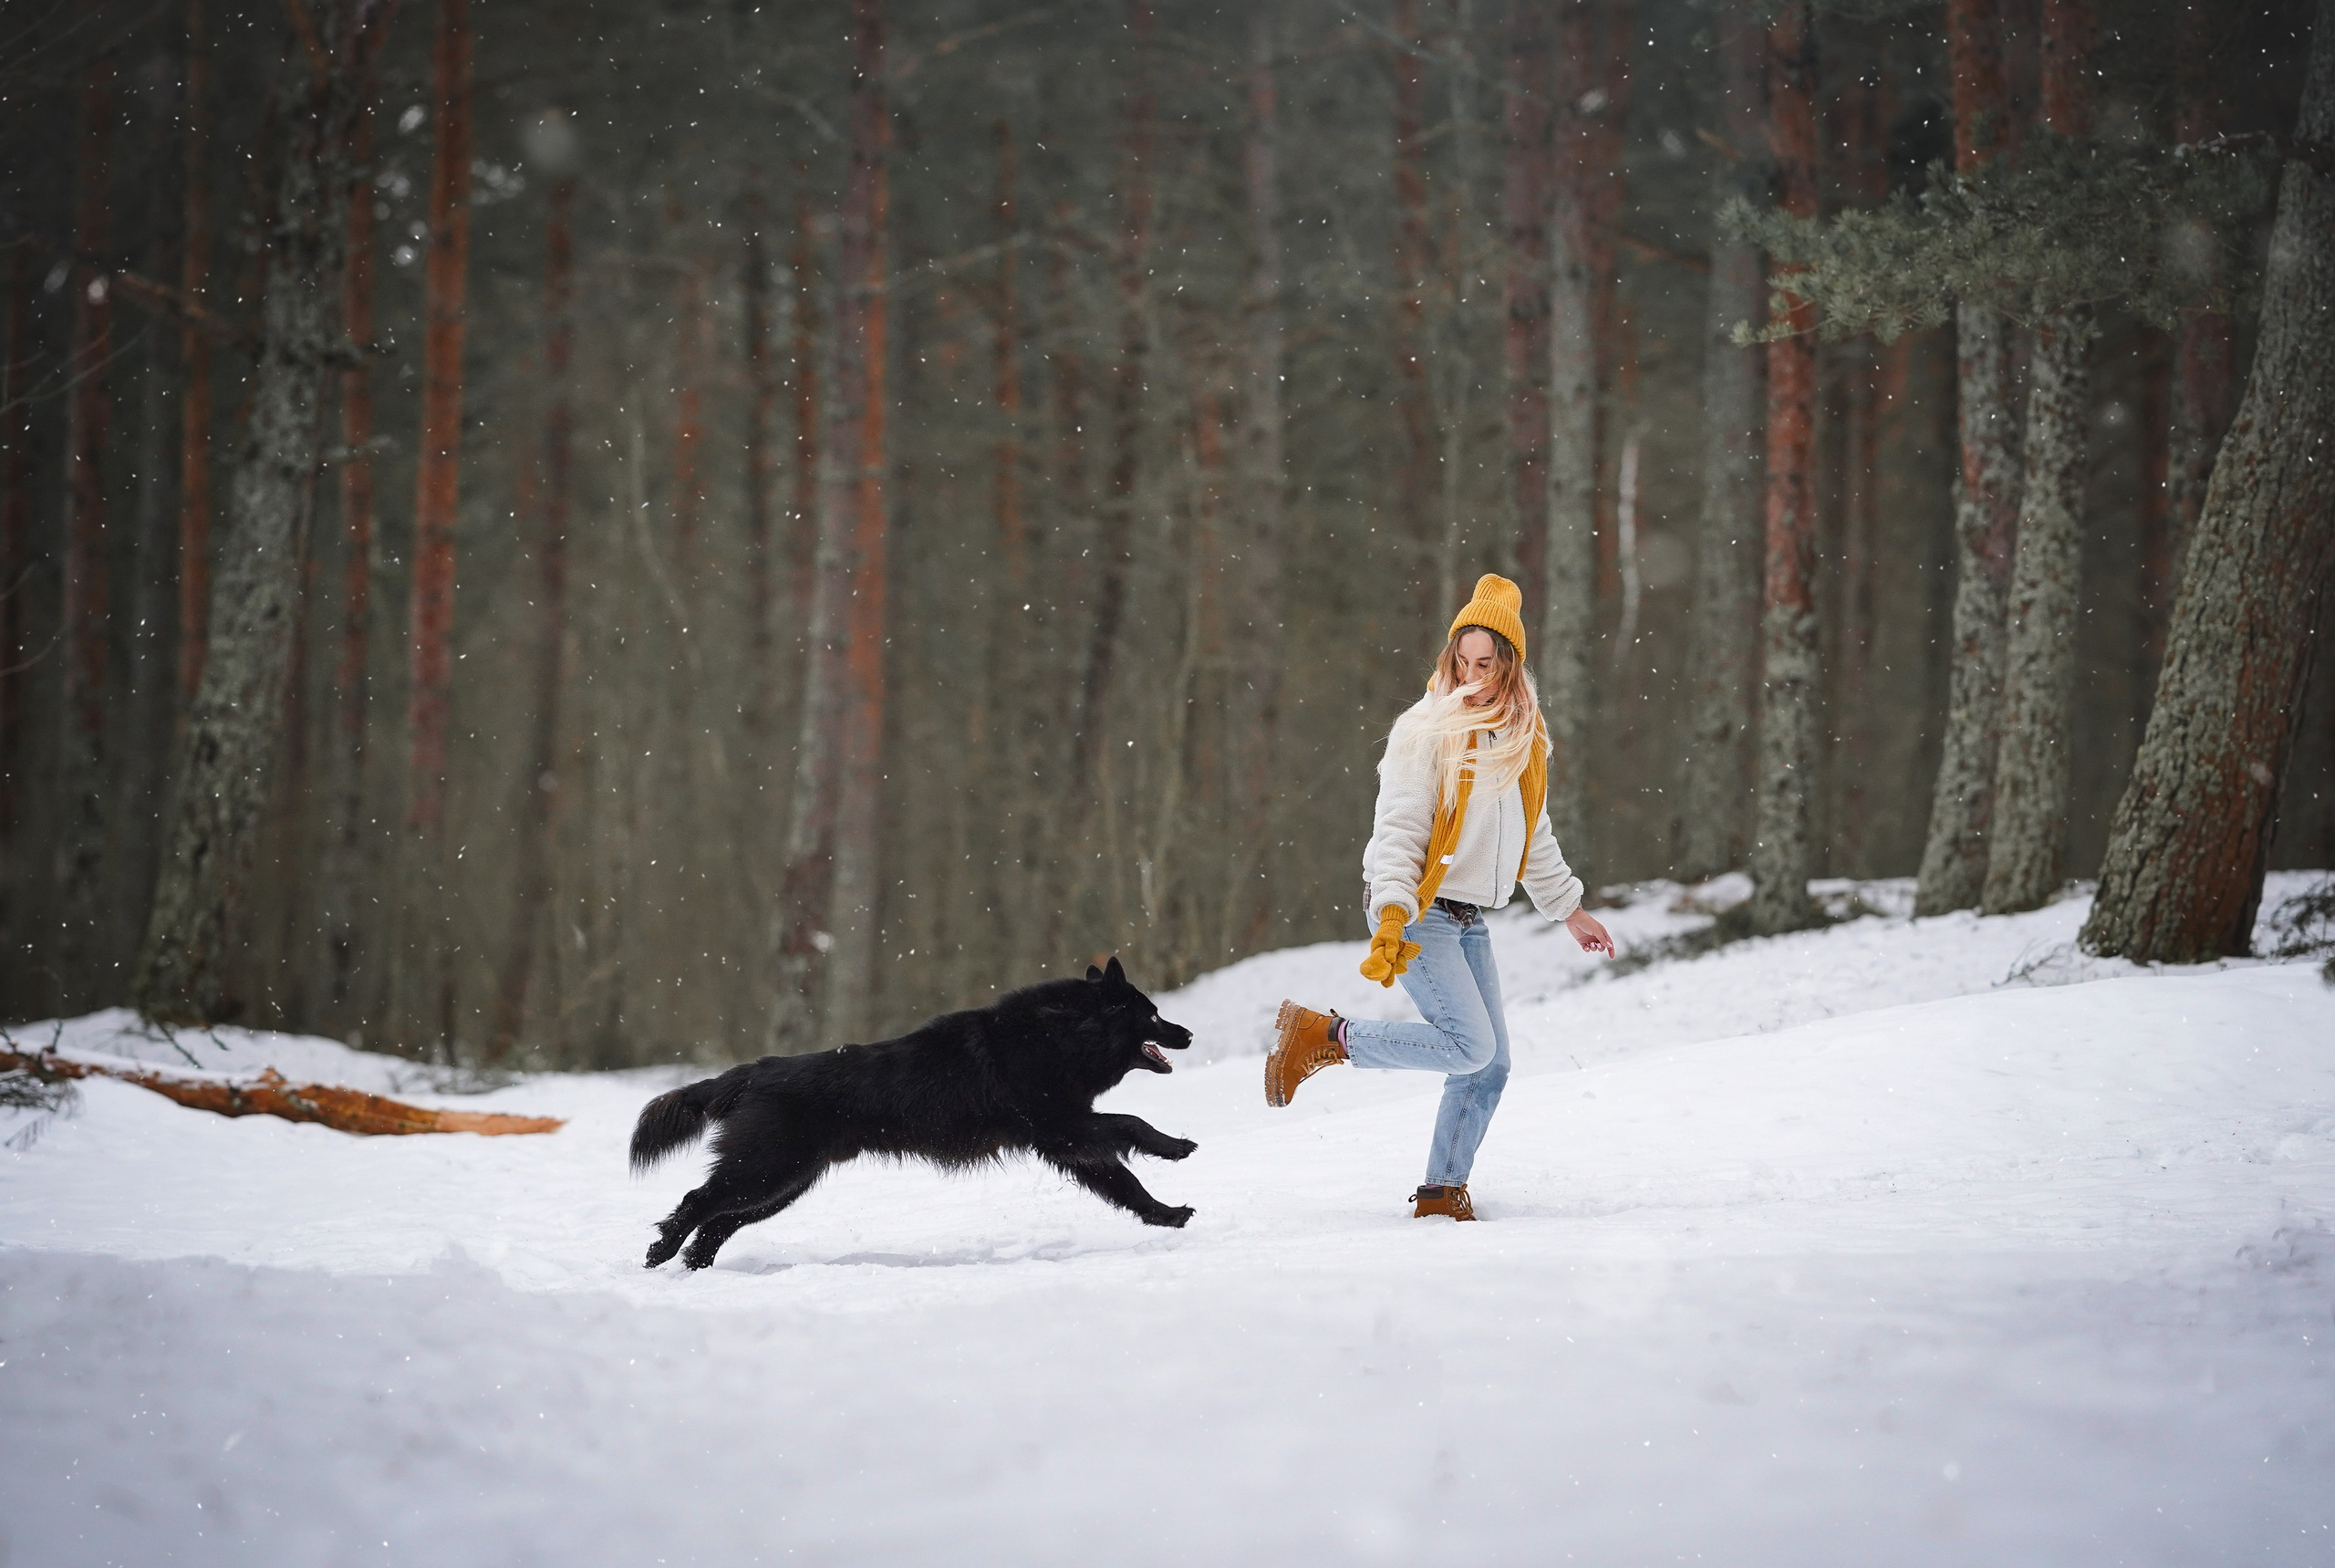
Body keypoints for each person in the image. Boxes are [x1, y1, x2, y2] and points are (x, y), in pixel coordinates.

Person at [1266, 574, 1613, 1220]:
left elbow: (1532, 829)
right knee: (1468, 1046)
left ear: (1510, 664)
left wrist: (1570, 908)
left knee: (1491, 1064)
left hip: (1465, 915)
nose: (1471, 674)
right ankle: (1327, 1035)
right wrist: (1395, 909)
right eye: (1463, 659)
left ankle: (1441, 1191)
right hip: (1415, 906)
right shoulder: (1427, 729)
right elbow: (1397, 829)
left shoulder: (1524, 736)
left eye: (1486, 662)